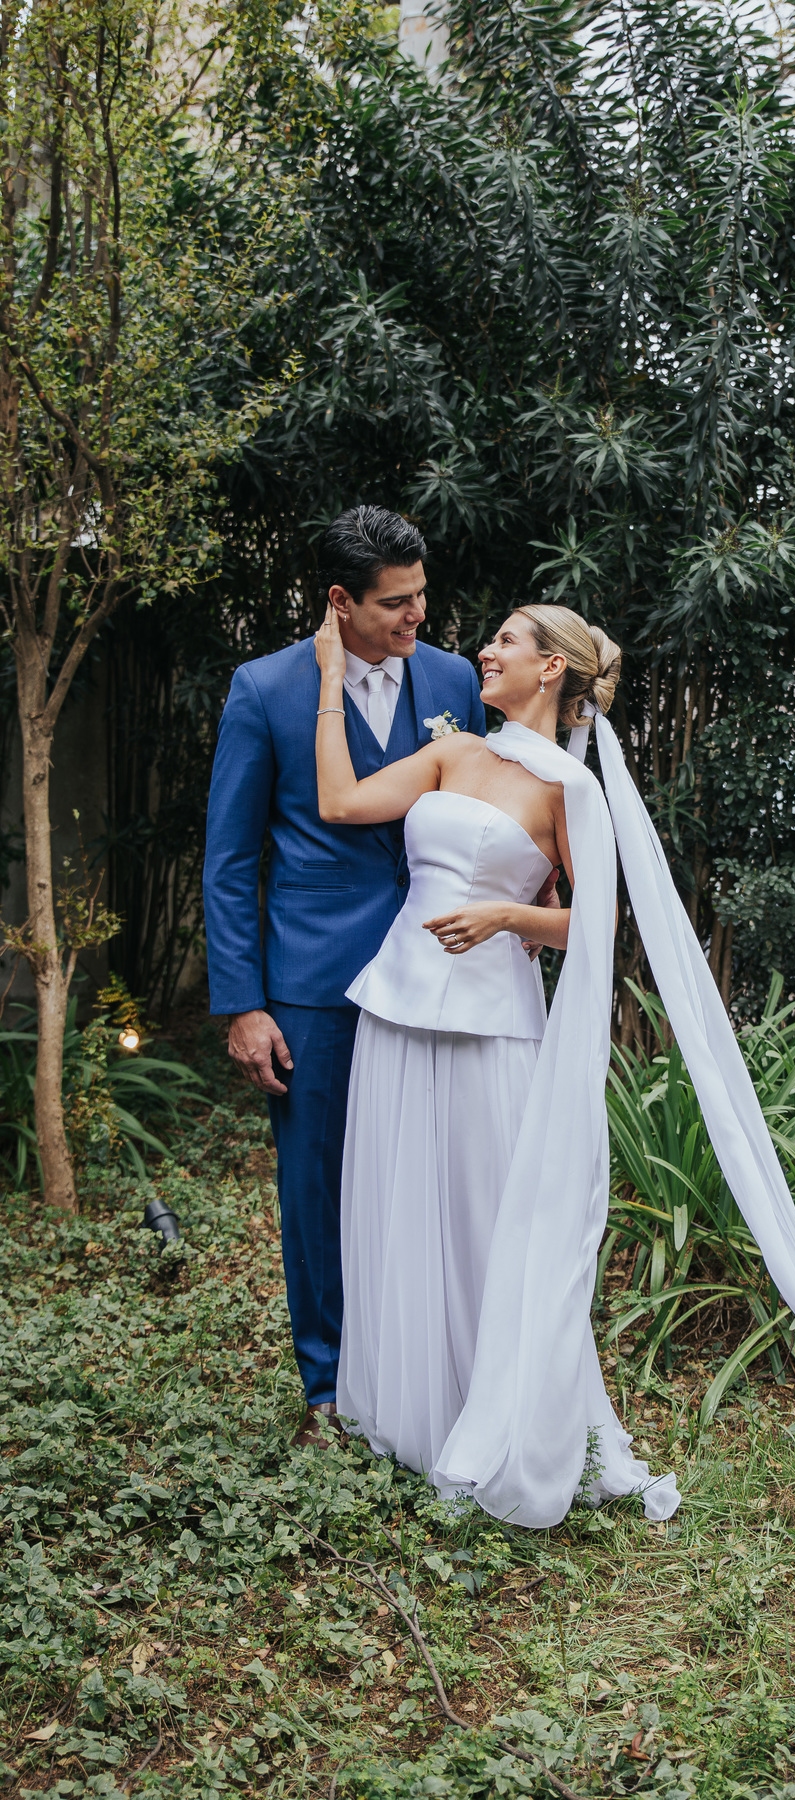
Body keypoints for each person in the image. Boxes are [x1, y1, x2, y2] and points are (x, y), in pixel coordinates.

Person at [315, 600, 795, 1554]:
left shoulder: (570, 788)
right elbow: (341, 802)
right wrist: (329, 677)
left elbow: (601, 921)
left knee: (483, 1217)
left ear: (551, 668)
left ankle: (491, 1421)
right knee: (399, 1200)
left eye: (507, 639)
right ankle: (401, 1414)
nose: (487, 649)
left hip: (489, 1026)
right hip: (396, 1006)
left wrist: (510, 918)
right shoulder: (451, 752)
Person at [202, 506, 487, 1448]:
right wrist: (244, 1002)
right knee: (317, 1186)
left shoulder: (453, 680)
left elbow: (488, 803)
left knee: (428, 1174)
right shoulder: (265, 688)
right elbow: (229, 861)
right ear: (340, 601)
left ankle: (419, 1371)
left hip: (438, 971)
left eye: (421, 596)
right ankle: (328, 1387)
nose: (416, 616)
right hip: (315, 984)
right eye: (395, 602)